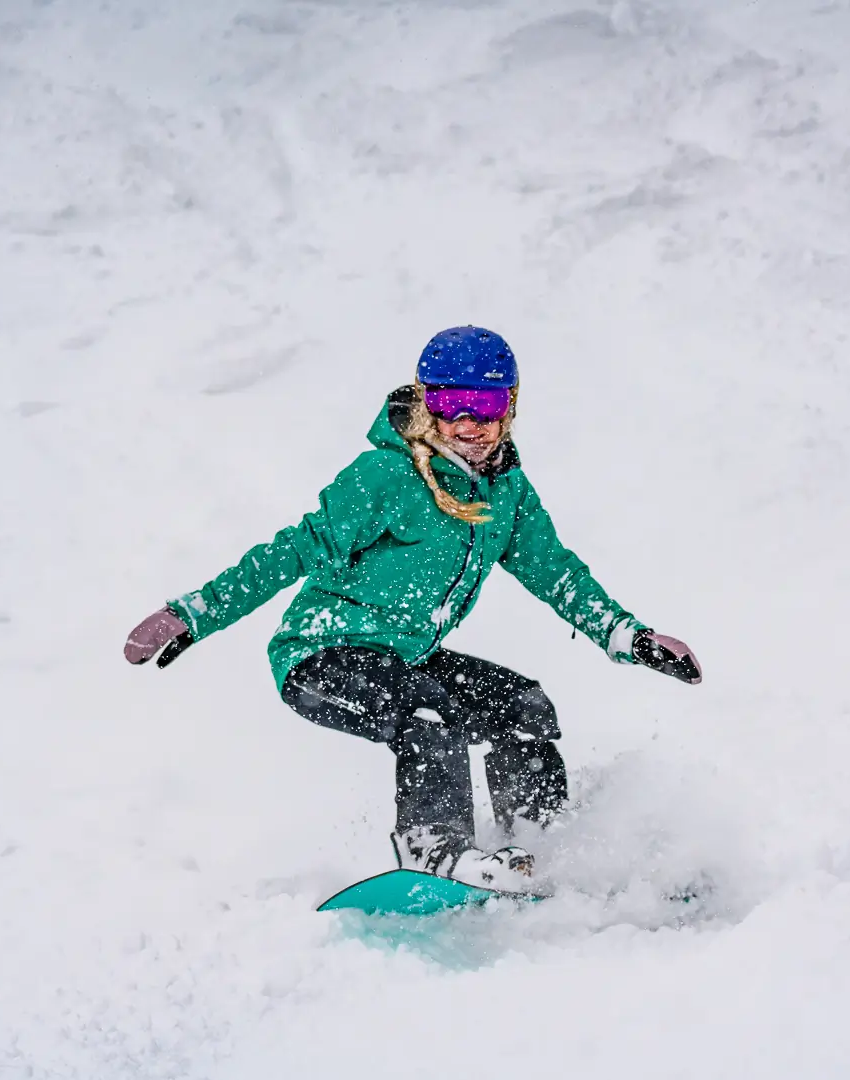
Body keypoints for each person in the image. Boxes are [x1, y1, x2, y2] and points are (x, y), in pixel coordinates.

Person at [124, 326, 701, 891]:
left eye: (486, 405)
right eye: (451, 405)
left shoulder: (506, 492)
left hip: (404, 657)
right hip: (321, 655)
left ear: (510, 406)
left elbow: (557, 573)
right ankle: (434, 851)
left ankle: (534, 846)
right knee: (429, 712)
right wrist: (193, 613)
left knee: (522, 705)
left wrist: (627, 635)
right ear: (428, 404)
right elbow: (292, 550)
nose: (469, 424)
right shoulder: (387, 475)